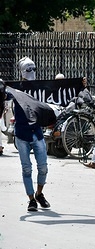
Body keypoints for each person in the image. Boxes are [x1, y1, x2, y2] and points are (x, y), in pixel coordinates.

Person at [12, 57, 51, 211]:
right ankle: (31, 199)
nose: (32, 72)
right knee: (26, 168)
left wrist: (78, 85)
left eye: (33, 69)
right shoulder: (14, 89)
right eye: (28, 69)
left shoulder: (38, 86)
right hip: (22, 134)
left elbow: (58, 90)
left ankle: (39, 193)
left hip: (37, 133)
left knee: (43, 167)